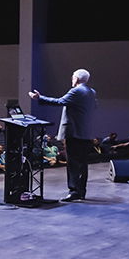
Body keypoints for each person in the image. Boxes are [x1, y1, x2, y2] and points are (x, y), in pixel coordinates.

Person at [30, 68, 97, 202]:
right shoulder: (92, 92)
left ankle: (74, 192)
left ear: (77, 79)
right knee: (82, 164)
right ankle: (81, 191)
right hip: (85, 132)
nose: (71, 79)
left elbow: (59, 101)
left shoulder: (77, 91)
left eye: (72, 77)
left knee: (72, 163)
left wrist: (39, 98)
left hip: (74, 132)